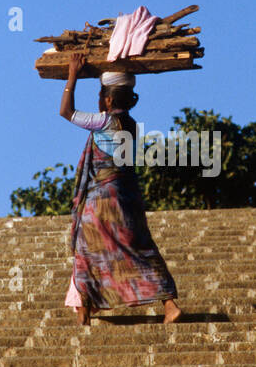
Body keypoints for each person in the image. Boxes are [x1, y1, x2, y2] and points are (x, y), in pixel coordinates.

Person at [59, 53, 182, 325]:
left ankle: (84, 312)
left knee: (85, 250)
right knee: (139, 247)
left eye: (101, 94)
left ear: (109, 99)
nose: (99, 99)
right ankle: (169, 304)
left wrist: (72, 75)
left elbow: (65, 112)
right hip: (126, 196)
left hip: (101, 199)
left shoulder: (104, 121)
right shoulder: (132, 125)